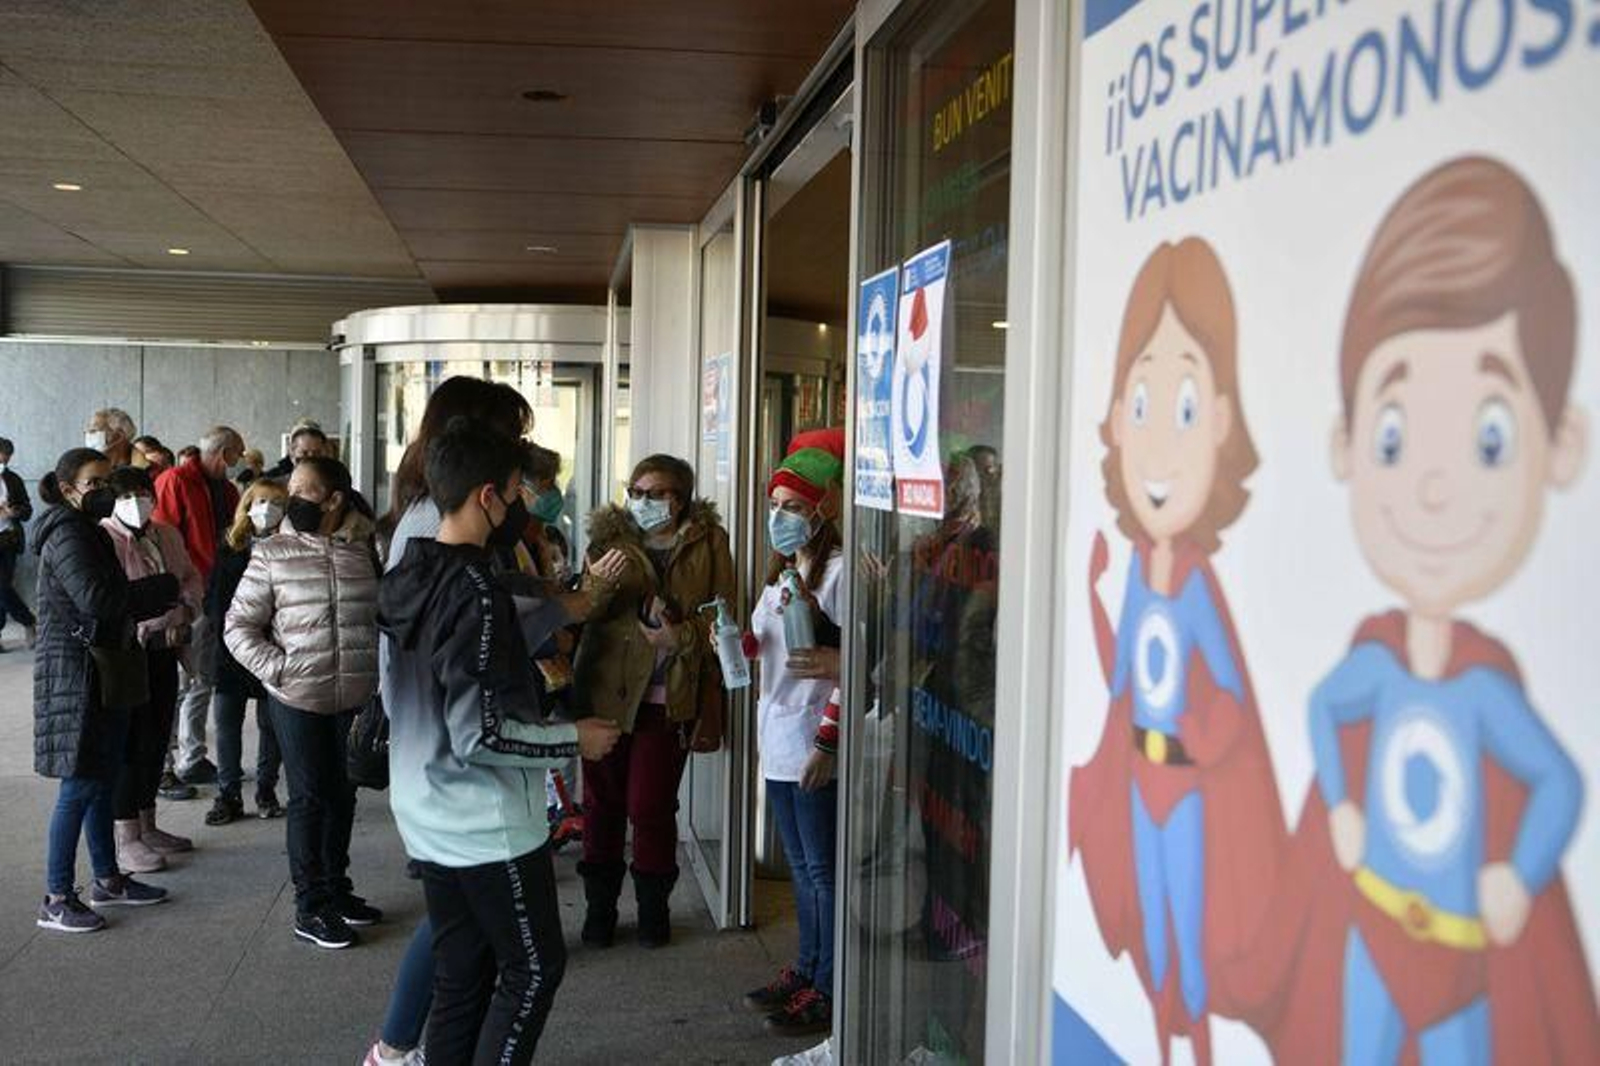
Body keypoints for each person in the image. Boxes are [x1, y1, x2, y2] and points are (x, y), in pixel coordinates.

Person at [379, 416, 620, 1064]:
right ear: (488, 495)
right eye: (516, 491)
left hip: (426, 809)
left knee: (462, 970)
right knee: (533, 970)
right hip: (480, 821)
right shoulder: (473, 591)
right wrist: (574, 738)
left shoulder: (414, 569)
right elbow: (479, 734)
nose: (523, 505)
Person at [574, 453, 733, 948]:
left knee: (650, 805)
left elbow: (725, 620)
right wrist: (599, 582)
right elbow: (585, 608)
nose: (643, 502)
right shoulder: (608, 540)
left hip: (669, 694)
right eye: (637, 491)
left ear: (681, 498)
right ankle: (599, 910)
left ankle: (652, 910)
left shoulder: (709, 543)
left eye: (657, 493)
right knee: (601, 805)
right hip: (605, 689)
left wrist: (678, 636)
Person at [224, 456, 380, 949]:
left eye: (305, 491)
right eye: (292, 489)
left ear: (334, 500)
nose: (293, 499)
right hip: (296, 697)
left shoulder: (363, 551)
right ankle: (310, 906)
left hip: (352, 697)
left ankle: (337, 889)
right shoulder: (272, 553)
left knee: (344, 795)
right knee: (310, 798)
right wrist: (281, 670)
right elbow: (238, 627)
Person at [32, 447, 179, 932]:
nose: (100, 491)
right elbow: (98, 601)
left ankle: (108, 879)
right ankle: (56, 897)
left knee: (102, 777)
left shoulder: (87, 531)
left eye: (104, 482)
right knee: (79, 787)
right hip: (79, 672)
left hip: (104, 667)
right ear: (68, 487)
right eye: (92, 483)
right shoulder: (67, 534)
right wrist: (161, 588)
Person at [739, 429, 847, 1037]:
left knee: (821, 874)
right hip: (776, 738)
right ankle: (805, 969)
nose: (780, 517)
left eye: (793, 507)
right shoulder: (783, 570)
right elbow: (768, 645)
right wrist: (735, 640)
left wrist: (828, 743)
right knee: (804, 870)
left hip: (811, 741)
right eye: (775, 506)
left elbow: (853, 666)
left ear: (821, 511)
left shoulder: (836, 576)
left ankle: (828, 986)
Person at [99, 466, 203, 874]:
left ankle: (148, 824)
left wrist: (186, 611)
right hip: (128, 651)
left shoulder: (167, 534)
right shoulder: (103, 538)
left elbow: (190, 578)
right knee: (131, 741)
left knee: (157, 738)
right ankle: (126, 837)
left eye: (143, 492)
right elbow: (115, 599)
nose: (137, 501)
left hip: (167, 647)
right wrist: (158, 616)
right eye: (126, 494)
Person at [154, 425, 246, 787]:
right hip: (187, 596)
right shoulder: (175, 481)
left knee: (202, 678)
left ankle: (192, 756)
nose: (238, 461)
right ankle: (163, 764)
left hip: (216, 595)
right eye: (237, 454)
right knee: (179, 680)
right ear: (224, 453)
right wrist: (179, 595)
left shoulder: (226, 489)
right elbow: (163, 542)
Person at [205, 480, 288, 825]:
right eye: (260, 500)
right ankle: (228, 794)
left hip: (274, 648)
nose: (266, 508)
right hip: (231, 648)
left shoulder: (292, 545)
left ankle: (266, 790)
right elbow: (215, 599)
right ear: (247, 505)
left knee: (272, 726)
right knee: (227, 724)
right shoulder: (230, 545)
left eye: (275, 502)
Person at [0, 437, 38, 651]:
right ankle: (28, 621)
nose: (3, 463)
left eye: (6, 459)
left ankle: (28, 622)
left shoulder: (13, 480)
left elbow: (27, 511)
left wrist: (14, 511)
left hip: (8, 539)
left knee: (2, 586)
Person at [266, 422, 330, 480]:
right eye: (304, 453)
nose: (311, 458)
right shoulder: (272, 482)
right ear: (292, 452)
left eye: (316, 453)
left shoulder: (335, 479)